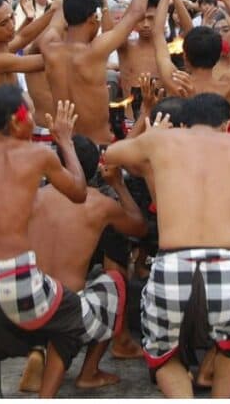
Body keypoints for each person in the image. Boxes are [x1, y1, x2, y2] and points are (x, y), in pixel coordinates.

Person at [104, 94, 230, 397]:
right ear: (226, 125)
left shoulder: (162, 141)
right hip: (228, 263)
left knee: (163, 350)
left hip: (172, 263)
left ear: (185, 122)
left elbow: (113, 153)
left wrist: (151, 134)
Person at [0, 86, 88, 397]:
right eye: (29, 113)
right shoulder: (38, 154)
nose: (34, 119)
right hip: (16, 279)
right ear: (16, 119)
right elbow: (79, 192)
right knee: (70, 312)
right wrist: (65, 142)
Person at [22, 137, 148, 390]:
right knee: (116, 282)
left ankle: (37, 348)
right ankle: (89, 372)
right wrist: (119, 185)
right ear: (93, 169)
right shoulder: (100, 204)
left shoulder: (32, 197)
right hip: (66, 313)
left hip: (24, 306)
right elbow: (140, 228)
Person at [39, 0, 152, 145]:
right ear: (94, 17)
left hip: (64, 148)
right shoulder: (96, 50)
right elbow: (137, 12)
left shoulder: (49, 44)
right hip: (98, 148)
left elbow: (67, 2)